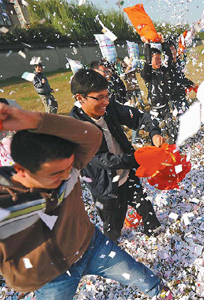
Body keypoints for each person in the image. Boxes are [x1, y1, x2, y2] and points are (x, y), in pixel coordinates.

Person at [0, 103, 172, 300]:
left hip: (91, 245)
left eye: (69, 167)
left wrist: (35, 120)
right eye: (56, 174)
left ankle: (157, 290)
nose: (68, 175)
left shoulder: (68, 165)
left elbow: (92, 136)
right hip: (50, 276)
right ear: (21, 170)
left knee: (137, 274)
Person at [70, 69, 165, 241]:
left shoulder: (109, 107)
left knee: (145, 206)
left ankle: (157, 234)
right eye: (99, 97)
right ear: (80, 98)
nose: (105, 102)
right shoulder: (76, 128)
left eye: (107, 96)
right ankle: (112, 251)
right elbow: (104, 160)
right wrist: (140, 158)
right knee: (113, 225)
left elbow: (138, 117)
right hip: (105, 185)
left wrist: (154, 132)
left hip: (127, 174)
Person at [140, 34, 177, 143]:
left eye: (160, 58)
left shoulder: (163, 71)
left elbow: (169, 60)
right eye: (156, 59)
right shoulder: (147, 74)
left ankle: (174, 148)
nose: (159, 61)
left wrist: (163, 43)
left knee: (171, 129)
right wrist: (147, 44)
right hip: (154, 109)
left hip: (165, 107)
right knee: (156, 131)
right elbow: (146, 63)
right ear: (150, 60)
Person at [168, 41, 196, 114]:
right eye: (170, 50)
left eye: (174, 49)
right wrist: (191, 83)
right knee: (181, 117)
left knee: (186, 114)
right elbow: (177, 80)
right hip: (174, 96)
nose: (173, 51)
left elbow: (182, 76)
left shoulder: (177, 62)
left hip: (181, 94)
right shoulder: (168, 65)